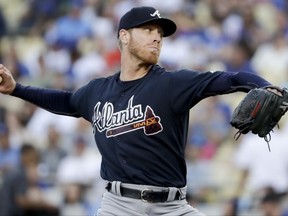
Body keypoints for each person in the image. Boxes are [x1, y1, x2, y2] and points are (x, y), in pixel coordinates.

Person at [0, 6, 283, 216]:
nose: (157, 38)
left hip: (173, 207)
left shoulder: (172, 83)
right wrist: (17, 89)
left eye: (160, 33)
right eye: (148, 30)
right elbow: (66, 101)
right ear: (124, 36)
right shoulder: (97, 92)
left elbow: (230, 79)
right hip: (118, 206)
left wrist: (266, 86)